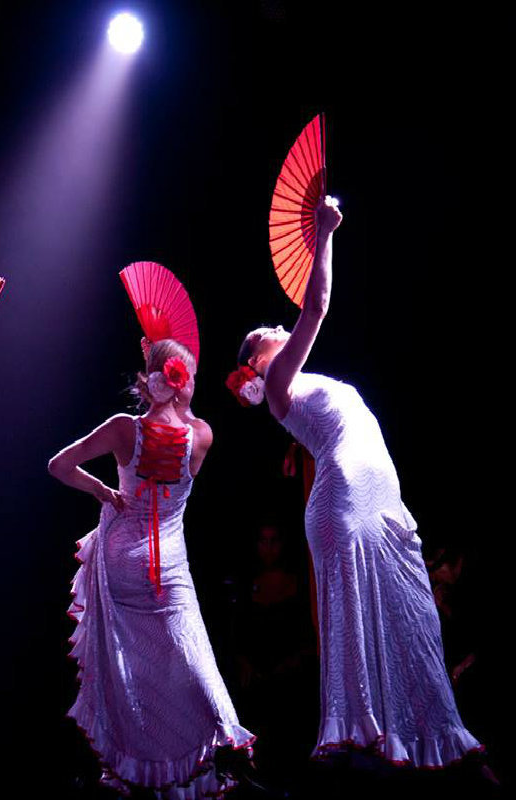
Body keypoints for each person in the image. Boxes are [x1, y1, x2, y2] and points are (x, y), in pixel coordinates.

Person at [226, 198, 481, 767]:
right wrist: (325, 235)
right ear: (258, 358)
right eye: (266, 330)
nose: (275, 323)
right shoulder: (277, 385)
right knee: (355, 623)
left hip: (380, 499)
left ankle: (430, 737)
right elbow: (316, 306)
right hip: (340, 502)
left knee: (413, 611)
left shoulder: (300, 378)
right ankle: (359, 740)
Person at [49, 339, 254, 798]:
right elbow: (180, 432)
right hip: (168, 564)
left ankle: (138, 768)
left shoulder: (124, 428)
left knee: (132, 671)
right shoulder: (202, 434)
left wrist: (101, 489)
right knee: (187, 658)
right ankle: (216, 741)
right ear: (184, 381)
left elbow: (58, 465)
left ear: (154, 379)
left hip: (123, 557)